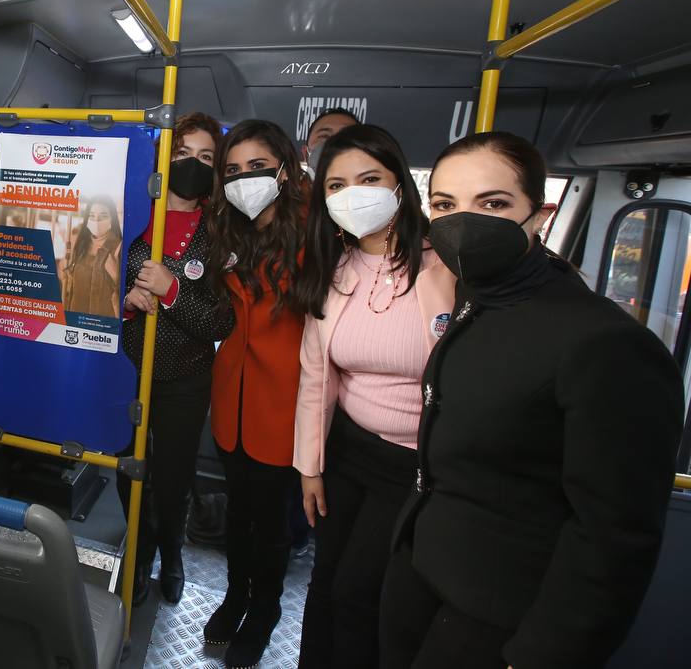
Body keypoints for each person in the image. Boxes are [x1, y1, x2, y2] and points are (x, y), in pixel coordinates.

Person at [380, 131, 683, 669]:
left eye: (492, 203)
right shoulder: (475, 297)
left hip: (500, 613)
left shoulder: (604, 344)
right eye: (446, 205)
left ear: (539, 215)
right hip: (423, 572)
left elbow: (613, 536)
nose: (462, 223)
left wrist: (544, 654)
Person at [292, 125, 455, 669]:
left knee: (359, 593)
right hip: (347, 451)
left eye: (368, 179)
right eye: (335, 185)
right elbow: (317, 376)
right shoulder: (334, 268)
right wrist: (310, 467)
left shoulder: (447, 269)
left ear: (400, 185)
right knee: (325, 579)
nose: (352, 195)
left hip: (415, 465)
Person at [118, 112, 235, 606]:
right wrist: (123, 304)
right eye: (183, 153)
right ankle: (140, 550)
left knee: (172, 476)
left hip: (186, 377)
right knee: (128, 470)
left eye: (205, 157)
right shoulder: (132, 213)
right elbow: (95, 283)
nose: (193, 164)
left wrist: (170, 291)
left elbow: (219, 322)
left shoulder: (221, 234)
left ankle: (172, 552)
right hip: (124, 373)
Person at [204, 119, 308, 668]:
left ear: (285, 170)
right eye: (234, 171)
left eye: (259, 168)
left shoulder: (314, 232)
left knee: (271, 523)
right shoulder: (230, 231)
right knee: (239, 512)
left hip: (284, 402)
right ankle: (234, 594)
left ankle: (265, 608)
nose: (247, 180)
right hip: (233, 398)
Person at [64, 195, 123, 317]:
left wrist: (117, 278)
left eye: (103, 216)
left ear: (112, 218)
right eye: (92, 216)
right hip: (76, 322)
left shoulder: (120, 247)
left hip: (103, 328)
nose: (96, 221)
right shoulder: (80, 246)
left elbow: (129, 298)